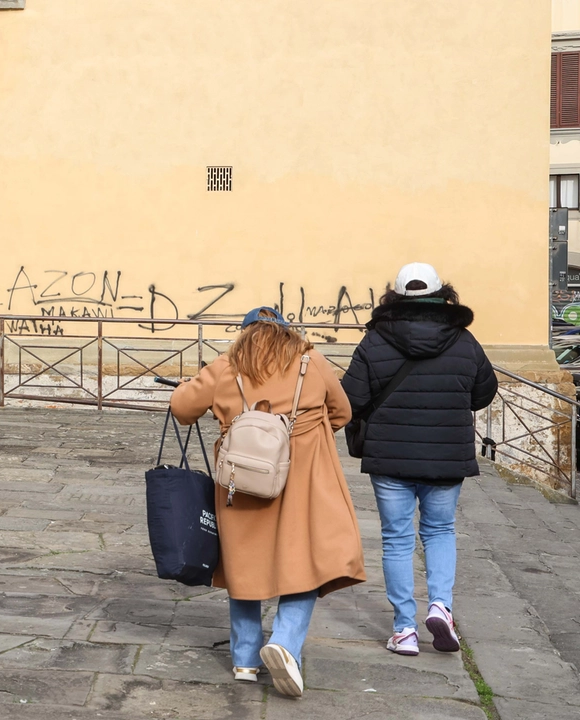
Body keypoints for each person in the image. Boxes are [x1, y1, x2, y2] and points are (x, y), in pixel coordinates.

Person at [171, 307, 366, 698]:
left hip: (242, 481)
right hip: (304, 478)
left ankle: (245, 659)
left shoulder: (226, 365)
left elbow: (181, 409)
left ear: (244, 335)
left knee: (244, 561)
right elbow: (342, 412)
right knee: (306, 559)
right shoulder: (312, 361)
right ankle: (285, 642)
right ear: (285, 332)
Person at [342, 263, 496, 656]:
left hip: (390, 456)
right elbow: (482, 394)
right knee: (440, 531)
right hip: (446, 455)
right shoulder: (465, 341)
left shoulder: (374, 341)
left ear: (394, 297)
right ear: (442, 294)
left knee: (396, 539)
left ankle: (404, 630)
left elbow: (352, 400)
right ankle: (441, 607)